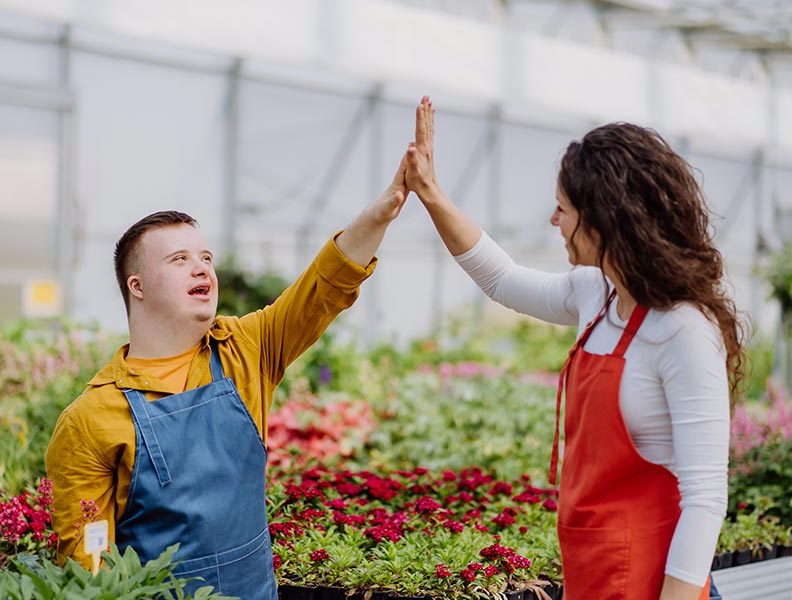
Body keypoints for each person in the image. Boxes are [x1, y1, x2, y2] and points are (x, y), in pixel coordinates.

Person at [404, 96, 745, 600]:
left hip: (659, 588)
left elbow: (705, 499)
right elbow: (501, 278)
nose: (552, 220)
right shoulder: (596, 294)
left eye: (563, 208)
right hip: (594, 578)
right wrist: (430, 193)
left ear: (605, 219)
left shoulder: (685, 332)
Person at [45, 156, 410, 599]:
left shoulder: (245, 350)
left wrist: (381, 214)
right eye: (179, 260)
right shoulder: (92, 418)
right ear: (136, 286)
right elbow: (89, 561)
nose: (202, 269)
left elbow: (323, 288)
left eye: (205, 257)